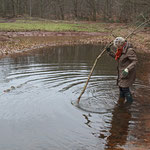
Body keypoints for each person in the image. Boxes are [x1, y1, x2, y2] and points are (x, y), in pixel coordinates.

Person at [106, 37, 138, 105]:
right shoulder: (120, 50)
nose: (117, 47)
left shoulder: (129, 50)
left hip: (127, 73)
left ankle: (129, 105)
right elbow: (118, 58)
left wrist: (127, 69)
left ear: (121, 43)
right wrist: (110, 51)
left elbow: (135, 61)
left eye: (118, 46)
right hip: (121, 72)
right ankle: (121, 103)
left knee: (125, 88)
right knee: (121, 88)